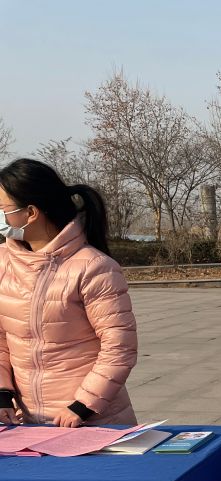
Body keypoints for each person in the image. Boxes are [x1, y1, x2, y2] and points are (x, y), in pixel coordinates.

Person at [0, 158, 137, 427]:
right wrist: (2, 395)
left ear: (31, 213)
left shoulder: (95, 268)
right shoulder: (3, 262)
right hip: (26, 423)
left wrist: (82, 406)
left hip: (91, 421)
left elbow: (119, 347)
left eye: (2, 208)